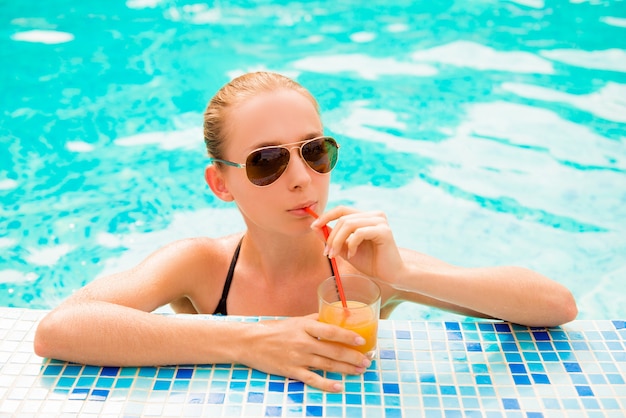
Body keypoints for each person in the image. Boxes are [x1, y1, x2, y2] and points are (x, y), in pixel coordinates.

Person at [34, 72, 577, 393]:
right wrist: (250, 341)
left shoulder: (364, 264)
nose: (302, 180)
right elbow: (61, 329)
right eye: (267, 161)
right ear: (221, 184)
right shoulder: (201, 266)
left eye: (315, 151)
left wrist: (407, 274)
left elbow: (555, 305)